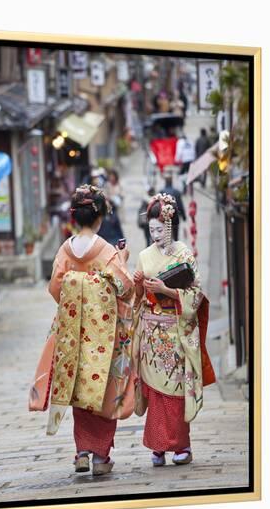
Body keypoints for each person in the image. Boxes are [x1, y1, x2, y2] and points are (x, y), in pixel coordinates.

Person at [38, 184, 135, 475]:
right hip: (104, 334)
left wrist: (76, 297)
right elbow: (126, 288)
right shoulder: (106, 250)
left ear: (75, 218)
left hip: (73, 332)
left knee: (79, 387)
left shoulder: (65, 249)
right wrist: (123, 261)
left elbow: (56, 288)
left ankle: (81, 451)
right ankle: (101, 457)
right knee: (104, 388)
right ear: (99, 218)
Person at [132, 193, 215, 467]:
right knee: (156, 392)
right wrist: (137, 284)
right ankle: (157, 448)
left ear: (169, 225)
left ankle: (181, 445)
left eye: (159, 229)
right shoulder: (144, 256)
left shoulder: (183, 253)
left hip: (176, 330)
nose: (155, 234)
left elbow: (195, 293)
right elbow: (136, 298)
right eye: (151, 229)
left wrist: (166, 290)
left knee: (176, 391)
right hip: (152, 332)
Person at [160, 173, 186, 239]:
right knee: (175, 237)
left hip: (164, 218)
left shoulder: (161, 192)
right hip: (175, 217)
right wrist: (184, 217)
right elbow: (180, 205)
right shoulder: (176, 192)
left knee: (165, 237)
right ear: (172, 182)